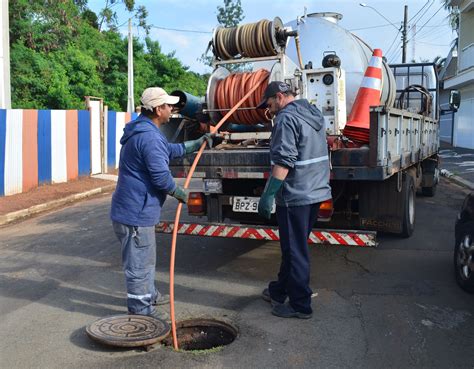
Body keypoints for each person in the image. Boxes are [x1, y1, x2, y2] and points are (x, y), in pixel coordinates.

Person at [110, 87, 212, 319]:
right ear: (158, 110)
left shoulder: (143, 131)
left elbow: (167, 150)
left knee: (144, 258)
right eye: (168, 106)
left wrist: (194, 144)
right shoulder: (149, 137)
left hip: (132, 210)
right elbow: (159, 176)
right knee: (140, 264)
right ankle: (142, 309)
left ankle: (149, 294)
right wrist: (179, 193)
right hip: (136, 214)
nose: (172, 109)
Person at [257, 81, 331, 319]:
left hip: (295, 195)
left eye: (269, 104)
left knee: (295, 250)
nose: (269, 110)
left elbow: (284, 161)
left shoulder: (286, 119)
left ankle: (300, 304)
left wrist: (269, 195)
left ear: (279, 97)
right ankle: (279, 291)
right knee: (292, 248)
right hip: (315, 192)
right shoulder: (312, 112)